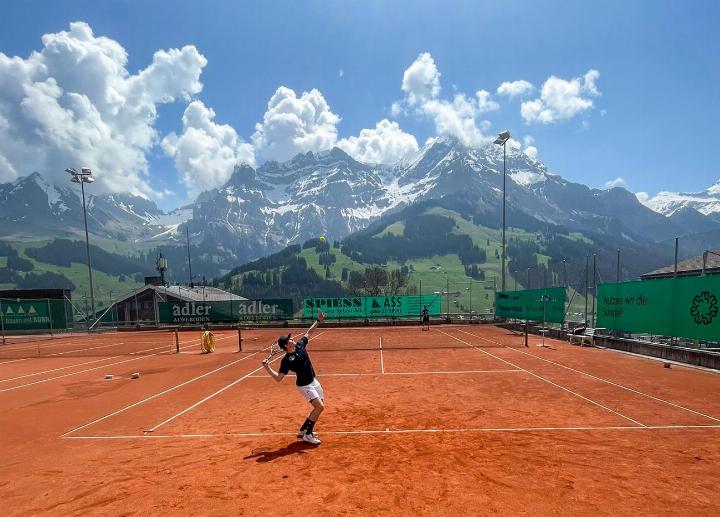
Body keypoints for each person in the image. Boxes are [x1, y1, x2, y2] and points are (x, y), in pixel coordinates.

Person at [262, 310, 326, 445]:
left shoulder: (300, 345)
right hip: (304, 385)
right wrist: (267, 367)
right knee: (319, 407)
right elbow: (278, 378)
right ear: (286, 345)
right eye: (290, 339)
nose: (293, 339)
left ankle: (303, 430)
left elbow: (309, 332)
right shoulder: (286, 360)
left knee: (319, 407)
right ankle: (308, 435)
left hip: (313, 381)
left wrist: (318, 320)